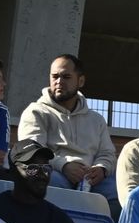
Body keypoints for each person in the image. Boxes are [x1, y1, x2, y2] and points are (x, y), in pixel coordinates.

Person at [16, 53, 117, 208]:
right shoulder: (36, 111)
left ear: (80, 81)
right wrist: (64, 165)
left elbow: (107, 153)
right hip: (56, 174)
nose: (58, 82)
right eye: (55, 76)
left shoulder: (96, 119)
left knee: (119, 189)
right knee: (47, 180)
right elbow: (32, 151)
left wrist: (101, 168)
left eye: (66, 77)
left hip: (92, 181)